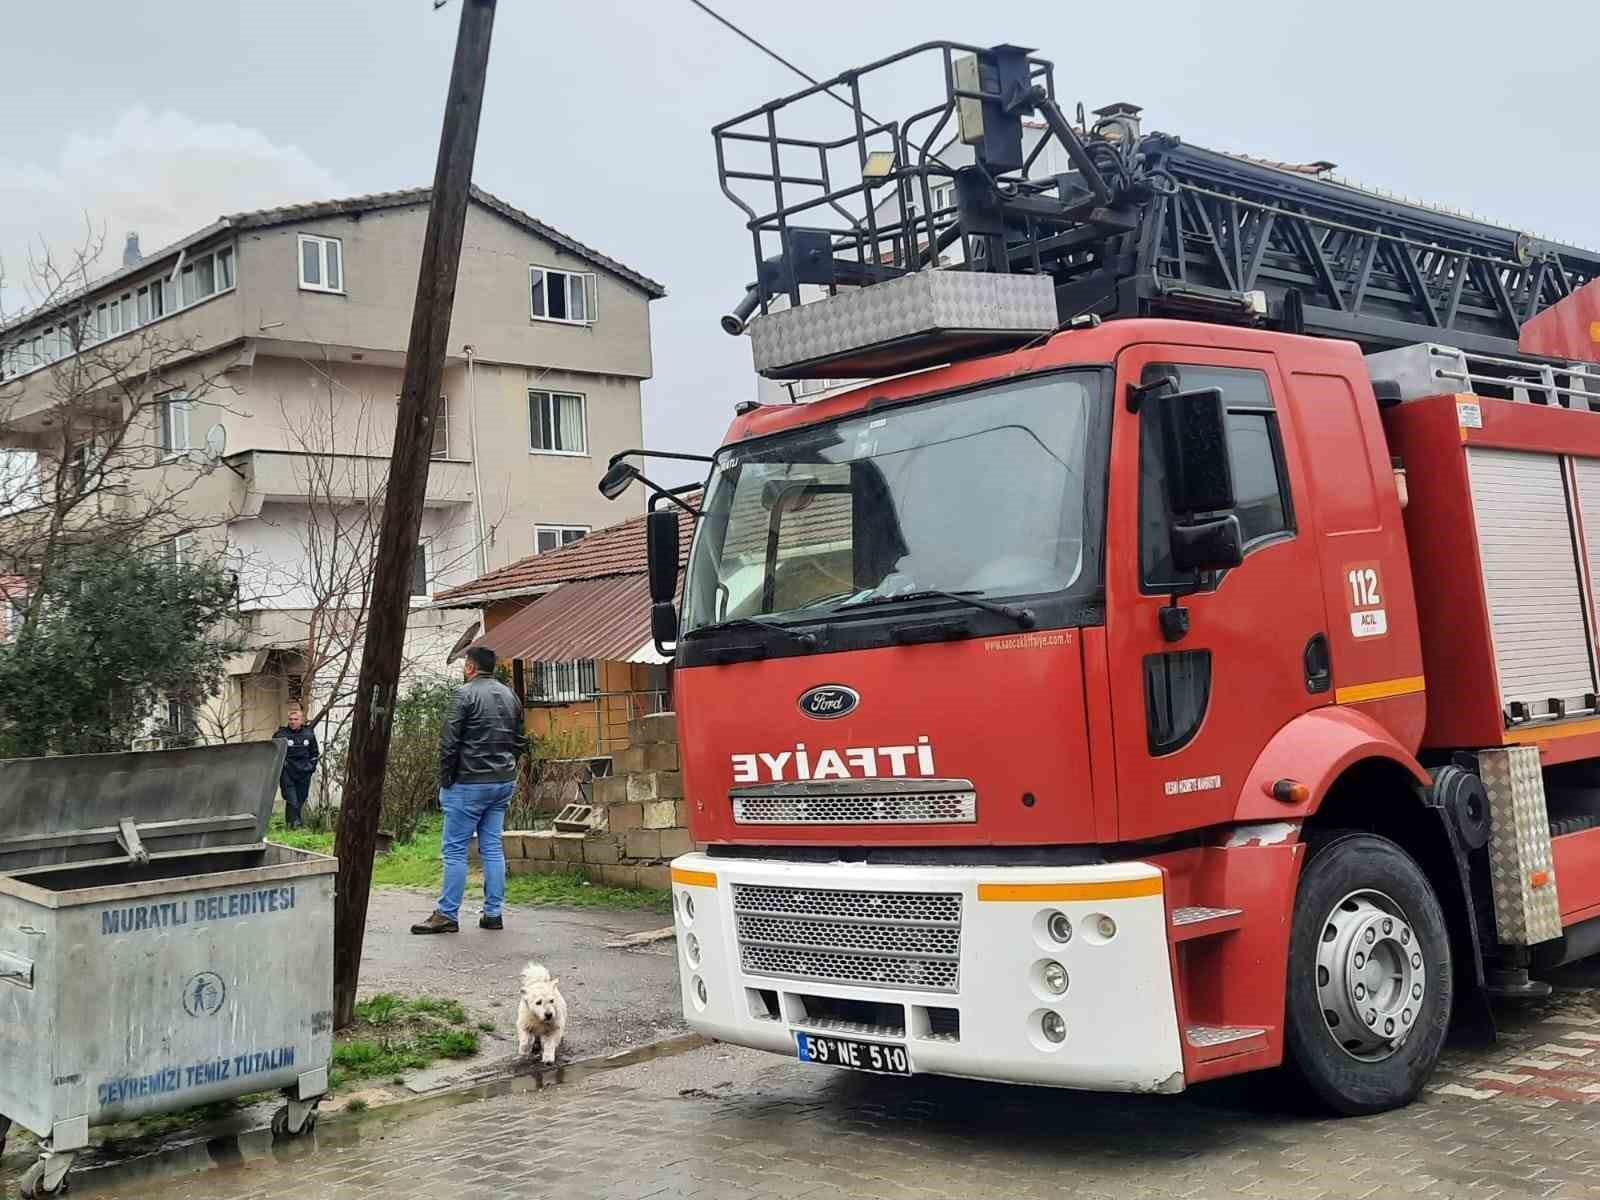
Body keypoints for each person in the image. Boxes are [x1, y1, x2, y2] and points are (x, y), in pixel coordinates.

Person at [412, 645, 529, 934]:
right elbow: (519, 740)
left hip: (468, 783)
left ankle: (447, 914)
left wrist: (445, 780)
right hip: (502, 781)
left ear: (470, 667)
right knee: (491, 847)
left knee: (454, 850)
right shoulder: (509, 694)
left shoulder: (463, 695)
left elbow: (449, 743)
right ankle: (493, 913)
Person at [272, 707, 320, 829]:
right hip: (287, 772)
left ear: (301, 720)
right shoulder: (281, 735)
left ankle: (290, 824)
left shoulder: (308, 734)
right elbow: (273, 752)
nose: (293, 722)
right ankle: (297, 824)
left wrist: (311, 768)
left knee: (300, 798)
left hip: (304, 772)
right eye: (290, 719)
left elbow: (314, 753)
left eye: (295, 719)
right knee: (291, 798)